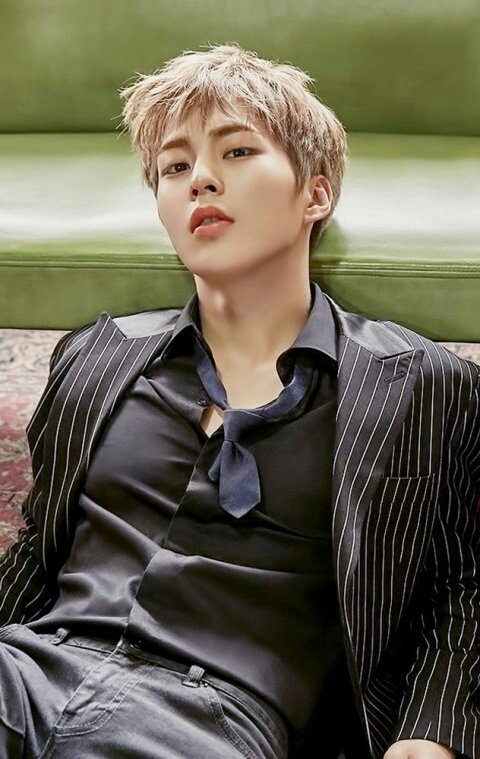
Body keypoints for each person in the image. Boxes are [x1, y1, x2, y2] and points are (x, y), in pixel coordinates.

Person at [0, 42, 478, 759]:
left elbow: (461, 584)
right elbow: (40, 544)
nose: (200, 179)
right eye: (174, 167)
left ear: (315, 195)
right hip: (29, 669)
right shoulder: (97, 355)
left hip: (211, 720)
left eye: (237, 152)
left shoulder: (419, 383)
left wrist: (431, 730)